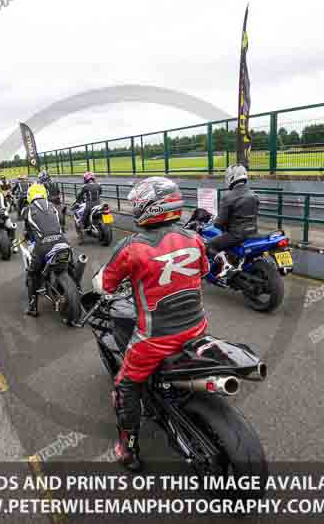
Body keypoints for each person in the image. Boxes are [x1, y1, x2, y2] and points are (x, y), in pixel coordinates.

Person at [91, 176, 209, 471]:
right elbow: (203, 270)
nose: (134, 208)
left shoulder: (132, 248)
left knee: (125, 386)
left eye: (137, 203)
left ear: (149, 207)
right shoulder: (195, 238)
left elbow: (105, 284)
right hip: (197, 328)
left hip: (156, 339)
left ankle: (127, 449)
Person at [20, 183, 66, 317]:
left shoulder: (27, 210)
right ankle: (78, 290)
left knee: (32, 274)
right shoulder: (53, 206)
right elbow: (61, 222)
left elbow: (28, 232)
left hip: (42, 247)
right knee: (71, 265)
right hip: (62, 241)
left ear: (30, 196)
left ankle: (33, 307)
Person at [206, 165, 259, 278]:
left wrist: (218, 223)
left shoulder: (228, 197)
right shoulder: (254, 195)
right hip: (253, 232)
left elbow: (219, 223)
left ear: (231, 177)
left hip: (236, 235)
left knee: (209, 245)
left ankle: (226, 266)